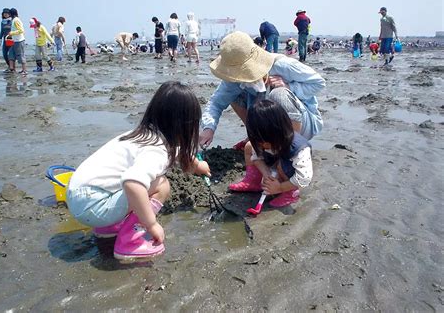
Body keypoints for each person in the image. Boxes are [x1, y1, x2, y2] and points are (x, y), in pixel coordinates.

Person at [66, 81, 211, 260]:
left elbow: (178, 153)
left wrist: (197, 165)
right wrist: (151, 224)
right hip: (93, 207)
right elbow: (132, 183)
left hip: (78, 196)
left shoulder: (141, 135)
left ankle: (108, 229)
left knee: (138, 181)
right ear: (185, 125)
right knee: (161, 185)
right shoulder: (156, 149)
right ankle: (129, 242)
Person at [199, 31, 325, 152]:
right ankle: (257, 138)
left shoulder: (282, 65)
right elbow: (216, 102)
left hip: (303, 122)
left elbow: (318, 82)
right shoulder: (234, 79)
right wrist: (208, 128)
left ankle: (292, 148)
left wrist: (289, 87)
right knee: (234, 96)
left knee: (279, 93)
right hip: (269, 121)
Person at [230, 99, 312, 207]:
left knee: (281, 166)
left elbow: (304, 178)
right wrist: (265, 173)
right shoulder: (261, 142)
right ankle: (253, 181)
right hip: (273, 160)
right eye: (258, 142)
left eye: (266, 143)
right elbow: (256, 155)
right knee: (249, 147)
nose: (262, 146)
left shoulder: (299, 149)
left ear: (279, 132)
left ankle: (290, 193)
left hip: (288, 170)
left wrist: (280, 187)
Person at [7, 8, 27, 75]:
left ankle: (24, 70)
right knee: (11, 55)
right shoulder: (13, 20)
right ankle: (12, 69)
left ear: (12, 14)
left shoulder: (16, 20)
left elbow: (21, 30)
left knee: (21, 55)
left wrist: (12, 33)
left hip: (19, 41)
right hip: (14, 41)